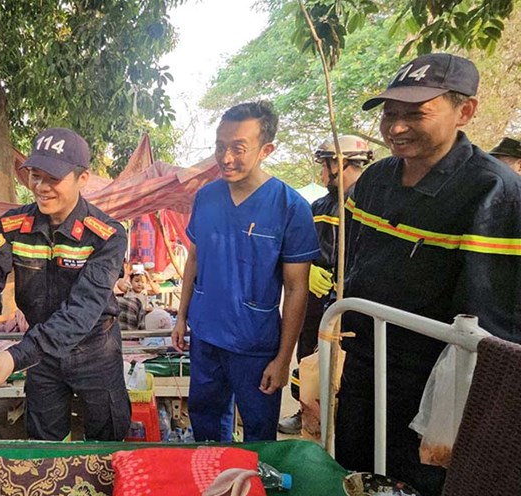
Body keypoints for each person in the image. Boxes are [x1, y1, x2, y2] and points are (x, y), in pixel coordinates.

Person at [336, 53, 521, 495]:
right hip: (364, 367)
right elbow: (357, 264)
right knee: (351, 475)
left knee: (419, 484)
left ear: (465, 111)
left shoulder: (495, 193)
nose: (396, 127)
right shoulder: (374, 180)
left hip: (432, 388)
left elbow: (494, 322)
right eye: (389, 113)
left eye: (416, 114)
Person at [0, 128, 131, 442]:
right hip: (41, 353)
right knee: (44, 443)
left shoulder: (106, 235)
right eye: (35, 175)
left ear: (82, 179)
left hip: (95, 350)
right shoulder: (14, 225)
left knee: (107, 439)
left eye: (53, 178)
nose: (41, 187)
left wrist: (14, 357)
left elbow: (81, 312)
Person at [171, 101, 320, 442]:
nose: (225, 158)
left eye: (238, 148)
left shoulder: (290, 207)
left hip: (255, 343)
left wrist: (283, 359)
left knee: (259, 433)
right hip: (205, 336)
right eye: (220, 146)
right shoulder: (206, 198)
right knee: (207, 427)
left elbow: (296, 288)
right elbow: (194, 258)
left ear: (266, 150)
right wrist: (181, 317)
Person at [278, 135, 373, 435]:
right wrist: (309, 271)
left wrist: (344, 281)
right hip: (315, 297)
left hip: (348, 299)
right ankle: (305, 411)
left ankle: (341, 416)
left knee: (344, 362)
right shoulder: (319, 205)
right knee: (308, 354)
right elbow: (301, 248)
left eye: (325, 165)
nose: (321, 173)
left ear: (341, 164)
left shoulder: (369, 203)